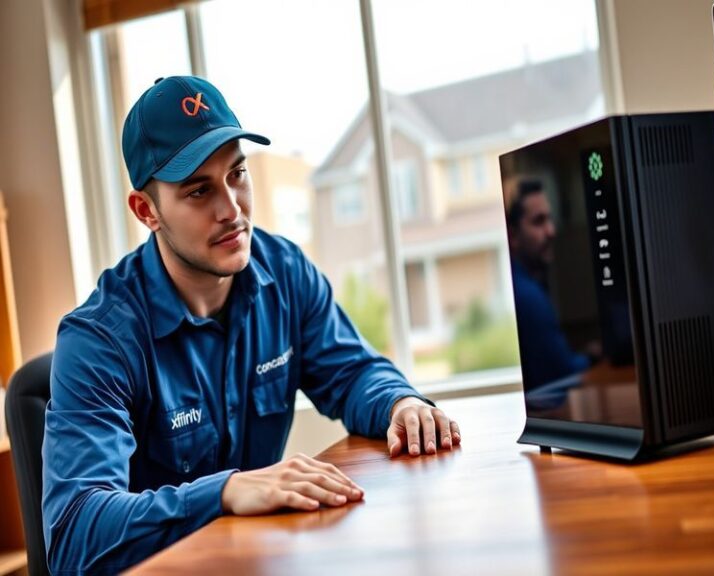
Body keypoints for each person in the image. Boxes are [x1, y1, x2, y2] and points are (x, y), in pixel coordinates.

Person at [42, 76, 461, 575]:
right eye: (199, 190)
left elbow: (351, 372)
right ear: (146, 210)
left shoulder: (284, 271)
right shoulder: (99, 340)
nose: (232, 209)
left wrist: (401, 402)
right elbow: (73, 535)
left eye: (237, 173)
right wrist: (223, 492)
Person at [506, 179, 590, 389]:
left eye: (549, 219)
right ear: (513, 235)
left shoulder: (526, 286)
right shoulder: (528, 296)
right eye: (538, 221)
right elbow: (562, 372)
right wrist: (593, 357)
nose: (551, 231)